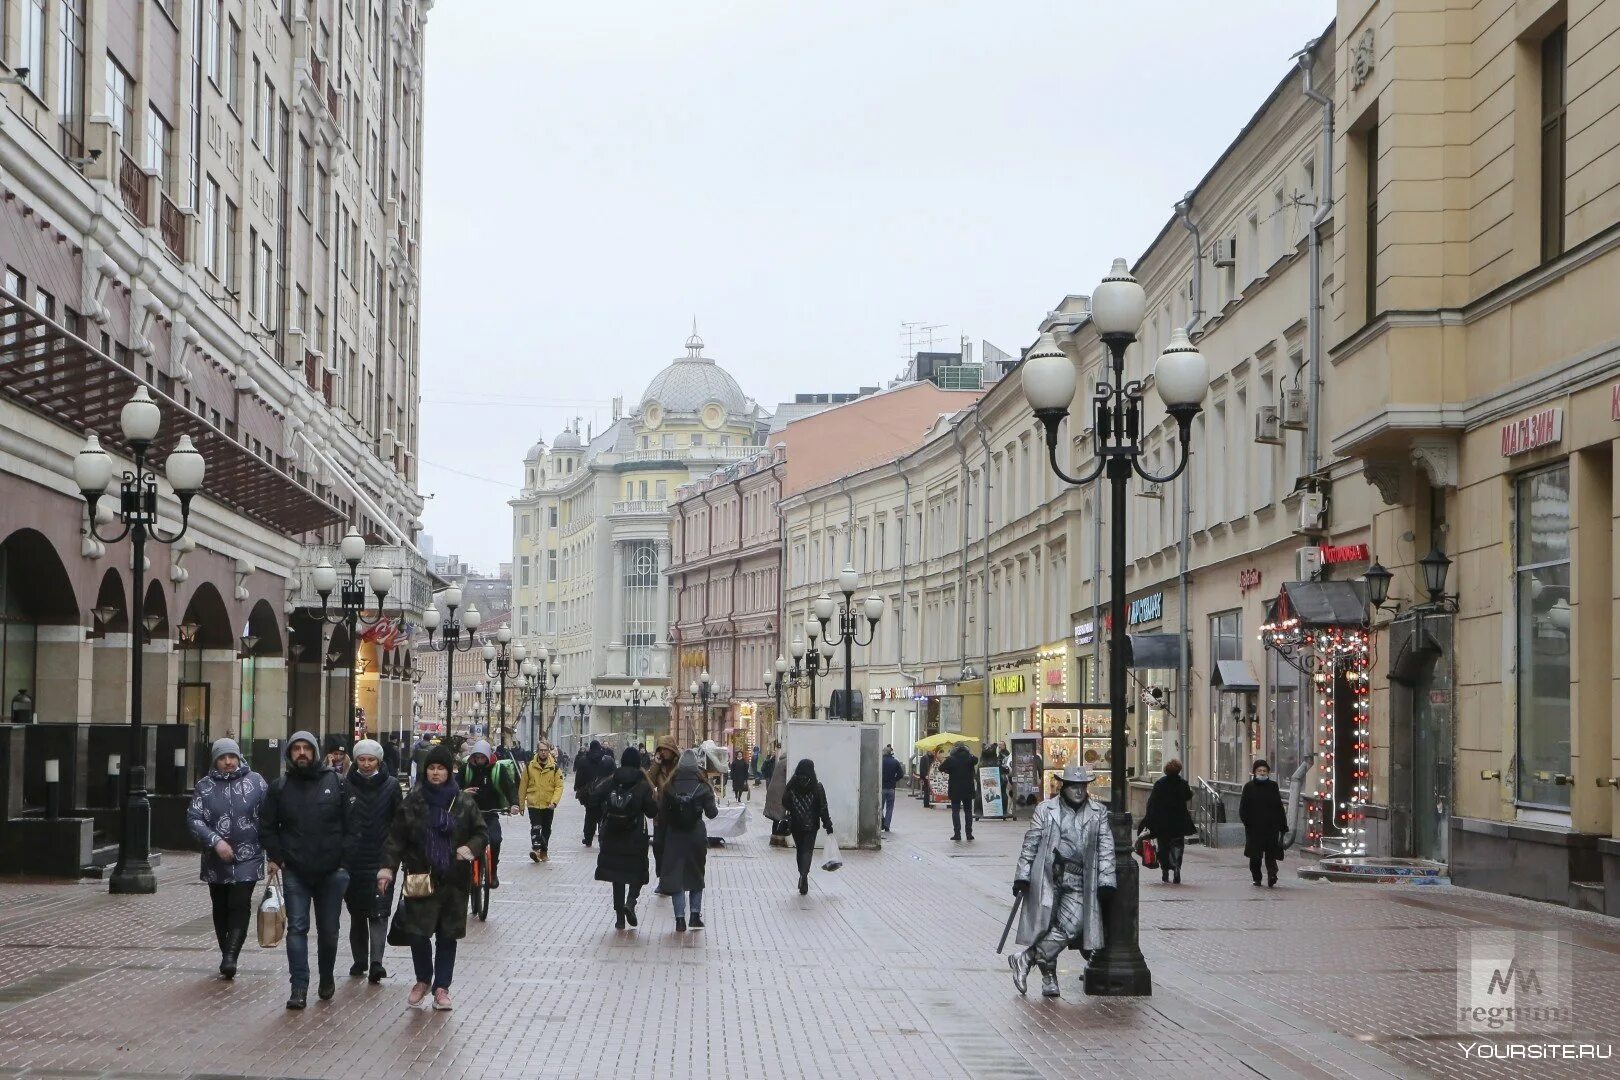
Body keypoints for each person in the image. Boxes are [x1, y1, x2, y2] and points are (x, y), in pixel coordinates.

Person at [379, 744, 487, 1011]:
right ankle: (422, 980)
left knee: (447, 936)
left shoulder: (463, 801)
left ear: (449, 772)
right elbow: (396, 839)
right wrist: (387, 868)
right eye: (432, 768)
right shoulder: (412, 802)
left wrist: (470, 848)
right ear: (425, 771)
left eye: (441, 768)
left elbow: (481, 833)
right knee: (417, 933)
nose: (436, 773)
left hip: (454, 879)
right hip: (420, 877)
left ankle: (442, 988)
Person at [259, 730, 350, 1010]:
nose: (301, 753)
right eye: (296, 748)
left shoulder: (335, 782)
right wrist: (277, 856)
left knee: (329, 930)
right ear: (289, 753)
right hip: (295, 869)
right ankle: (299, 985)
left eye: (306, 748)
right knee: (297, 928)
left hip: (331, 870)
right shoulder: (280, 787)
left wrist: (343, 860)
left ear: (315, 752)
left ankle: (326, 976)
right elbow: (267, 825)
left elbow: (351, 825)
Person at [1009, 765, 1115, 999]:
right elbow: (1031, 843)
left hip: (1079, 879)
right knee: (1047, 926)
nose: (1079, 791)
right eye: (1074, 786)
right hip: (1049, 875)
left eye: (1083, 786)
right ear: (1063, 787)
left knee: (1070, 926)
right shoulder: (1045, 810)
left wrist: (1107, 879)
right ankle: (1049, 978)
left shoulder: (1098, 812)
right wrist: (1022, 875)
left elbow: (1106, 847)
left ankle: (1025, 958)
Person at [186, 737, 269, 980]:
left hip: (249, 856)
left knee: (239, 903)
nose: (228, 762)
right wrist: (215, 841)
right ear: (215, 761)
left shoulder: (257, 783)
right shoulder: (205, 786)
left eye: (232, 756)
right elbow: (194, 818)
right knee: (221, 906)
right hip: (216, 860)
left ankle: (231, 956)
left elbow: (269, 818)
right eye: (222, 758)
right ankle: (226, 954)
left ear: (239, 757)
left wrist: (275, 854)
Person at [343, 739, 401, 983]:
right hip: (353, 859)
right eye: (362, 759)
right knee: (357, 911)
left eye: (371, 759)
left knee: (379, 911)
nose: (366, 764)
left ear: (379, 761)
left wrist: (397, 854)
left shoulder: (391, 786)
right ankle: (359, 959)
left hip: (382, 858)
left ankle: (376, 962)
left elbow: (399, 823)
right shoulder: (345, 785)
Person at [592, 747, 658, 928]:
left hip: (613, 835)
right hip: (635, 836)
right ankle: (631, 902)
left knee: (617, 875)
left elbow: (594, 797)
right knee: (637, 871)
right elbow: (652, 812)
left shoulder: (612, 780)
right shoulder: (642, 784)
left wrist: (605, 813)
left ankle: (619, 917)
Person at [658, 749, 719, 931]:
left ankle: (679, 920)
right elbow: (712, 813)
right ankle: (694, 916)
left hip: (674, 835)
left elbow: (663, 814)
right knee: (696, 873)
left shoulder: (669, 786)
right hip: (696, 836)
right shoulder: (703, 786)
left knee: (677, 877)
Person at [458, 739, 519, 887]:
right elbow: (454, 786)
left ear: (487, 756)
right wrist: (463, 793)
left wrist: (514, 804)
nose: (479, 761)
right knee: (461, 842)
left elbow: (509, 788)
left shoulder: (498, 769)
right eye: (476, 757)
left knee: (496, 839)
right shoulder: (466, 769)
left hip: (490, 813)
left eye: (482, 757)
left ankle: (493, 871)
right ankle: (464, 873)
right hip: (470, 815)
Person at [1137, 759, 1194, 885]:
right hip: (1178, 821)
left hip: (1162, 822)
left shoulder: (1160, 784)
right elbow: (1188, 796)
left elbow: (1152, 803)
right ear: (1179, 770)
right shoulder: (1182, 783)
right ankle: (1177, 868)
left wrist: (1148, 819)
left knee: (1163, 846)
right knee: (1178, 845)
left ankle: (1165, 870)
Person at [783, 759, 834, 896]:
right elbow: (823, 808)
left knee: (800, 850)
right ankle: (804, 876)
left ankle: (801, 873)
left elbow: (785, 802)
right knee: (808, 851)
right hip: (811, 825)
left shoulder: (793, 786)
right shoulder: (817, 787)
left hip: (796, 824)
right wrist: (828, 824)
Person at [1240, 758, 1288, 888]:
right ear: (1254, 772)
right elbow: (1243, 808)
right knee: (1255, 856)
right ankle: (1257, 877)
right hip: (1254, 828)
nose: (1262, 772)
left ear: (1268, 772)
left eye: (1264, 770)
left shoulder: (1273, 786)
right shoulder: (1249, 787)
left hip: (1271, 827)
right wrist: (1247, 823)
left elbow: (1279, 806)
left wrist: (1283, 825)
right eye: (1259, 770)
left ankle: (1272, 875)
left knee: (1271, 854)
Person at [519, 742, 564, 861]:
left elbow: (559, 786)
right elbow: (523, 786)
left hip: (548, 805)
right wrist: (521, 804)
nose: (543, 752)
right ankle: (536, 850)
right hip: (533, 803)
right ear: (537, 751)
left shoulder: (554, 768)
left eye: (545, 750)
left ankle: (544, 851)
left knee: (546, 829)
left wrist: (554, 802)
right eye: (541, 750)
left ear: (549, 751)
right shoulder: (529, 767)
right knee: (536, 827)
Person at [940, 742, 979, 841]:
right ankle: (969, 834)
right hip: (968, 789)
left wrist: (948, 770)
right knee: (968, 812)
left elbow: (941, 768)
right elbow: (976, 759)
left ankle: (957, 834)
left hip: (955, 790)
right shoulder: (970, 758)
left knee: (955, 812)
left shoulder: (951, 759)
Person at [576, 739, 610, 846]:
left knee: (590, 815)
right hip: (604, 792)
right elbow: (612, 776)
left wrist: (578, 788)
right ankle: (602, 837)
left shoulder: (583, 760)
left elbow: (579, 778)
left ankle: (588, 838)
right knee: (603, 815)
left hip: (589, 792)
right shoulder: (607, 760)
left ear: (590, 748)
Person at [880, 745, 904, 833]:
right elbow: (901, 774)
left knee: (880, 807)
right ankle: (887, 825)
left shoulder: (880, 761)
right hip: (891, 788)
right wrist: (894, 780)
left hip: (881, 787)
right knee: (890, 808)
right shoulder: (895, 762)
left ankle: (881, 822)